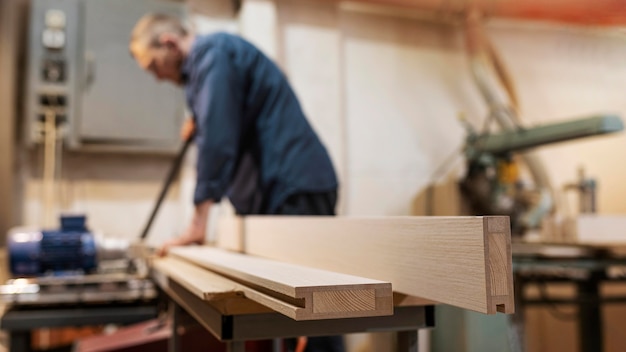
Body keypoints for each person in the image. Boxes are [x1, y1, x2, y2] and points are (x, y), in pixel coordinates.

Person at [129, 13, 343, 352]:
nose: (158, 78)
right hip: (280, 193)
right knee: (290, 317)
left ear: (169, 43)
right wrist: (199, 118)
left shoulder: (213, 55)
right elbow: (220, 123)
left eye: (155, 67)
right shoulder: (206, 72)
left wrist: (197, 225)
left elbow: (217, 142)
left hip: (294, 188)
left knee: (316, 320)